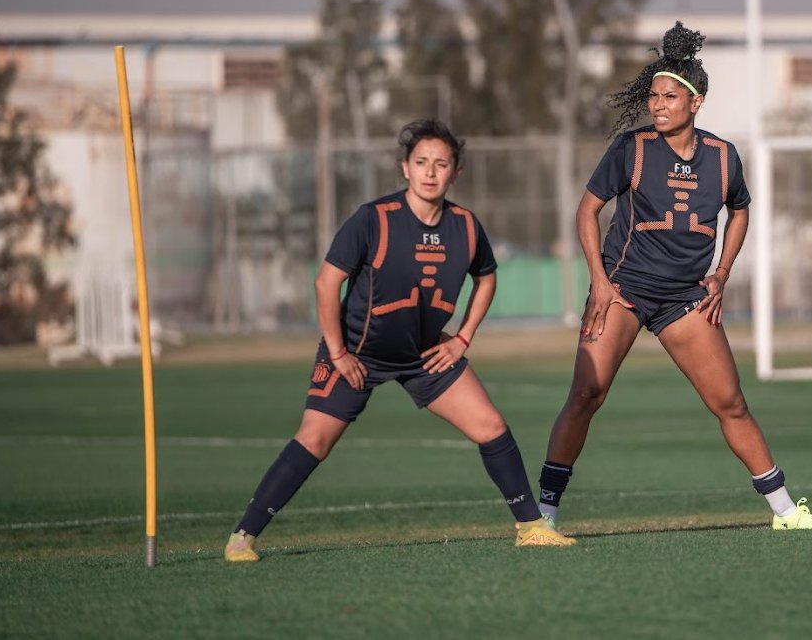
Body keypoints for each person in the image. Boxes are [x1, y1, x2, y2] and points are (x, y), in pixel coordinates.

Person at [225, 119, 575, 561]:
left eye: (441, 164)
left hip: (423, 356)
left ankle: (530, 527)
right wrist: (337, 353)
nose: (431, 172)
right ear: (404, 168)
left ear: (456, 172)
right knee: (314, 439)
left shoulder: (465, 227)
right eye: (421, 162)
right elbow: (325, 284)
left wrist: (462, 337)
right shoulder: (372, 219)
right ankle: (243, 536)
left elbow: (486, 278)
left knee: (491, 427)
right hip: (357, 354)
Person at [536, 23, 812, 532]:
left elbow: (740, 210)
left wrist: (721, 273)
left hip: (684, 297)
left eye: (669, 96)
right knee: (587, 396)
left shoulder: (723, 157)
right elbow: (586, 212)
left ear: (695, 103)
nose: (657, 104)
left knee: (730, 402)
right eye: (653, 95)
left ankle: (787, 512)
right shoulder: (630, 149)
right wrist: (600, 282)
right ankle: (542, 516)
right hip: (624, 290)